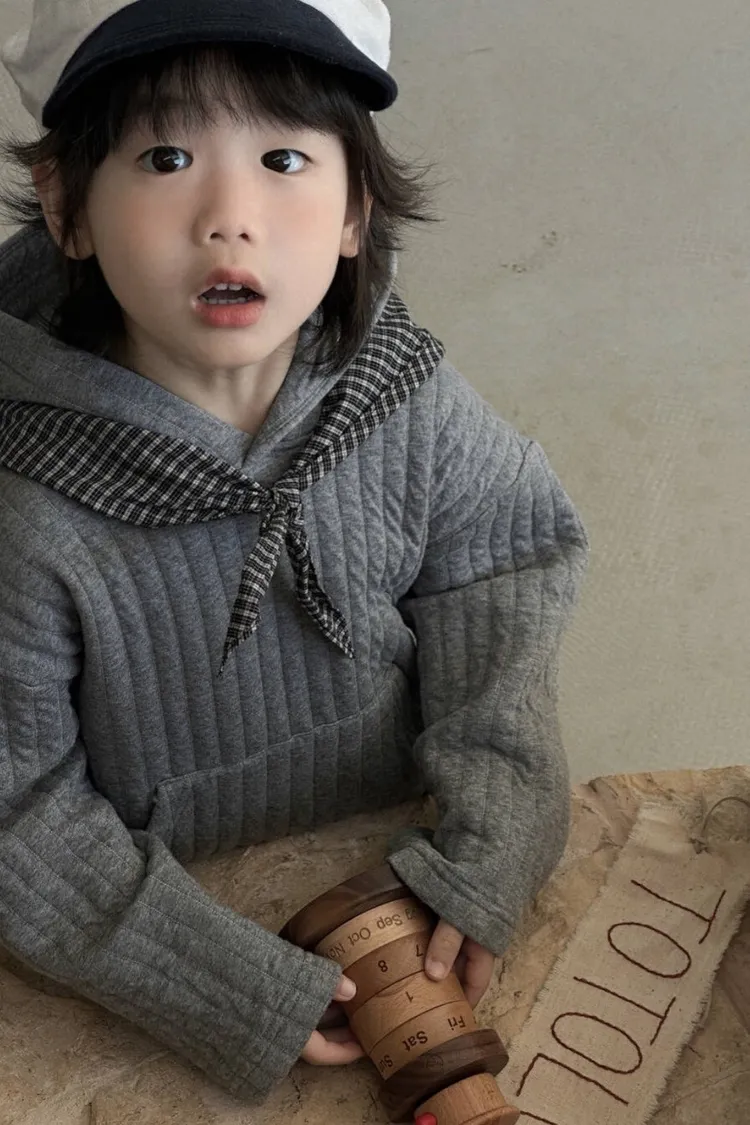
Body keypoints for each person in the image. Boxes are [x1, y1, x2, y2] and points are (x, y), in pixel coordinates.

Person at [0, 0, 588, 1105]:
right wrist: (213, 984)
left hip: (396, 836)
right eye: (166, 158)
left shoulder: (402, 396)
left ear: (357, 207)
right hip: (168, 894)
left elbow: (503, 567)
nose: (230, 219)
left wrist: (494, 840)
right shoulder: (29, 511)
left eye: (283, 159)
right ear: (67, 205)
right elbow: (16, 803)